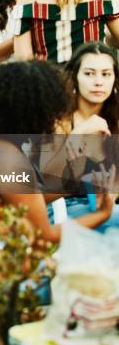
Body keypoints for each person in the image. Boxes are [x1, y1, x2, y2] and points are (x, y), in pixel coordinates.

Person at [0, 60, 117, 243]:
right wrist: (103, 214)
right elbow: (43, 236)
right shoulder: (8, 160)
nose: (55, 120)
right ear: (34, 113)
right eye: (52, 112)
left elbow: (25, 202)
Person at [42, 42, 119, 231]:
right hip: (61, 209)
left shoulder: (116, 120)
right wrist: (78, 134)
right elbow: (41, 184)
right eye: (89, 73)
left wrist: (109, 196)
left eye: (106, 74)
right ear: (75, 77)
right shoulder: (58, 120)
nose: (98, 82)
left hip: (108, 207)